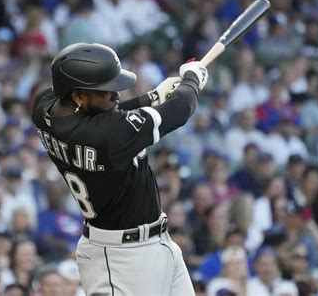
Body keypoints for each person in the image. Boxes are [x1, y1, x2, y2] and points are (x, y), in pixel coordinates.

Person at [31, 42, 208, 295]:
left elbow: (96, 118)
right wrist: (192, 79)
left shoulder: (43, 107)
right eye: (107, 90)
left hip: (150, 243)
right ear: (78, 95)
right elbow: (180, 109)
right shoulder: (109, 134)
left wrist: (151, 98)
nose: (117, 95)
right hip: (121, 259)